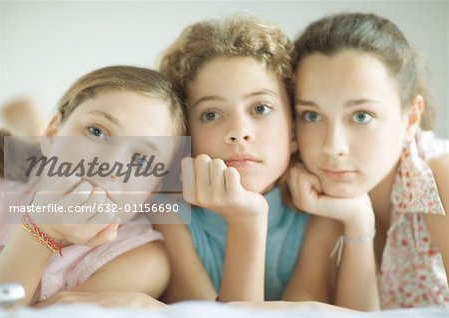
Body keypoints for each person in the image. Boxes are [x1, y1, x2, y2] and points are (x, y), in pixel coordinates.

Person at [156, 15, 379, 311]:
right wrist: (245, 221)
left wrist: (359, 219)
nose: (238, 131)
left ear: (293, 131)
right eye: (210, 114)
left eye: (260, 108)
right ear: (186, 134)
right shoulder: (168, 213)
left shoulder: (317, 210)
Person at [288, 12, 449, 309]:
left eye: (362, 116)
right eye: (311, 115)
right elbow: (302, 308)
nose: (333, 147)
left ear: (411, 118)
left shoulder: (439, 175)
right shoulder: (321, 191)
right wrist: (357, 219)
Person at [0, 65, 186, 308]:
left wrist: (45, 229)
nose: (109, 165)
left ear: (152, 190)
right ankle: (29, 126)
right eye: (96, 132)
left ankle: (29, 124)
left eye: (141, 159)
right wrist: (42, 226)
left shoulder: (139, 260)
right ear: (53, 131)